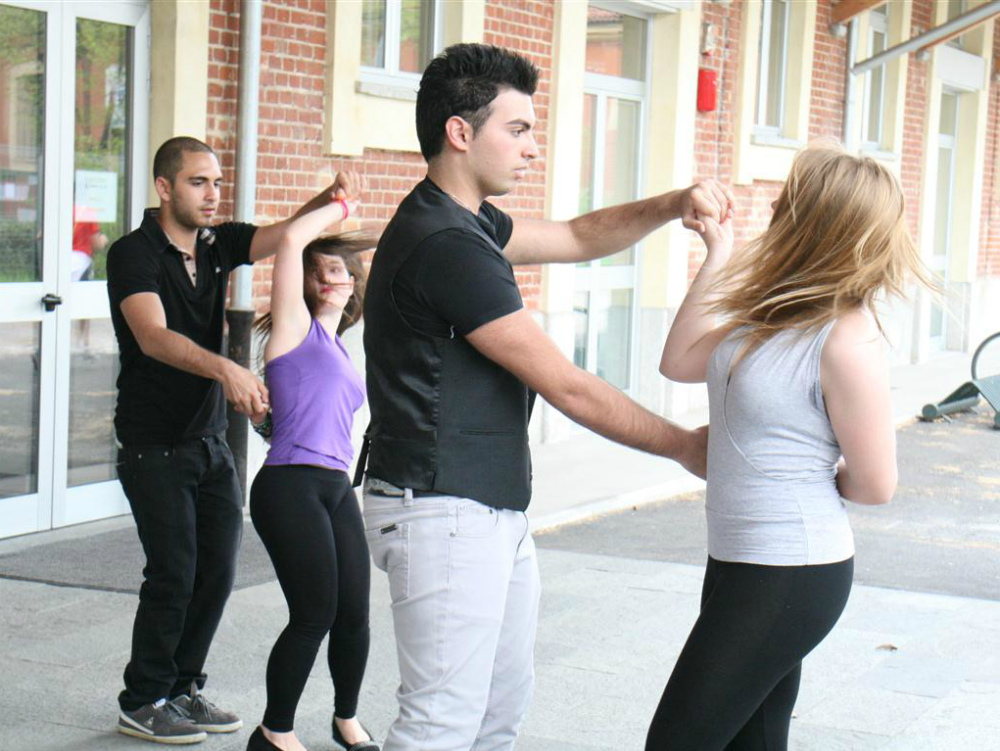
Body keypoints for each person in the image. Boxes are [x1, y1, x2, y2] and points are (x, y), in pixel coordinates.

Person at [359, 43, 734, 751]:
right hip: (443, 508)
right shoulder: (446, 244)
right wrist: (685, 445)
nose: (532, 147)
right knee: (439, 726)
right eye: (519, 129)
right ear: (460, 132)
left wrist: (672, 203)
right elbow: (566, 385)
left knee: (495, 720)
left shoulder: (467, 220)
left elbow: (576, 235)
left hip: (485, 506)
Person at [649, 144, 932, 750]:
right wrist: (719, 255)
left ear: (818, 223)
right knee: (752, 741)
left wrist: (801, 477)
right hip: (738, 558)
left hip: (790, 569)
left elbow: (876, 484)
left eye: (788, 200)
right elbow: (678, 361)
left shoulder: (845, 339)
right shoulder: (772, 312)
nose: (774, 207)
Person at [107, 136, 351, 745]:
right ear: (165, 188)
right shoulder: (133, 254)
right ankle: (143, 699)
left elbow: (283, 236)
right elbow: (153, 336)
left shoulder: (217, 245)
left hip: (209, 441)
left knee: (215, 572)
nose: (213, 194)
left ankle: (182, 688)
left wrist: (329, 199)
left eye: (217, 182)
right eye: (199, 182)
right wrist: (228, 370)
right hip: (153, 442)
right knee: (174, 572)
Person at [244, 171, 379, 751]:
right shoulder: (294, 329)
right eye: (321, 270)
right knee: (313, 612)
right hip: (290, 485)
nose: (331, 277)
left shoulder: (341, 349)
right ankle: (274, 732)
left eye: (341, 270)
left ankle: (346, 720)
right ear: (304, 281)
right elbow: (293, 238)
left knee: (355, 613)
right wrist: (341, 205)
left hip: (335, 486)